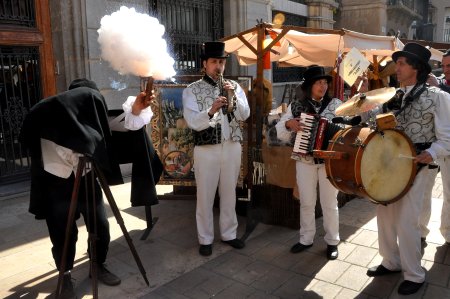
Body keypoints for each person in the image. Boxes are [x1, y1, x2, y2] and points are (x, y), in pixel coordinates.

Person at [20, 78, 155, 298]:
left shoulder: (93, 116)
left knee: (100, 225)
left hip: (87, 178)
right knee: (63, 233)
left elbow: (120, 124)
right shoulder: (50, 117)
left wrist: (136, 110)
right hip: (57, 183)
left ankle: (97, 264)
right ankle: (65, 275)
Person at [361, 43, 450, 295]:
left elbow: (447, 137)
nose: (396, 68)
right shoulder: (391, 96)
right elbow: (369, 116)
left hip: (417, 166)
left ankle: (415, 274)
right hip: (388, 164)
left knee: (407, 221)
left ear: (416, 68)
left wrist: (430, 154)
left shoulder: (439, 97)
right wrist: (354, 110)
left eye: (401, 64)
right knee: (385, 216)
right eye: (396, 63)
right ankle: (391, 261)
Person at [182, 41, 250, 256]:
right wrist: (211, 110)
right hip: (206, 149)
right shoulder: (192, 90)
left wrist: (235, 97)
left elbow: (245, 115)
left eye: (221, 62)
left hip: (232, 146)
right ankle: (205, 238)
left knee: (229, 192)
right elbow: (193, 121)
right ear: (205, 64)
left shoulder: (234, 86)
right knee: (205, 194)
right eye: (214, 62)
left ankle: (229, 234)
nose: (218, 66)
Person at [276, 65, 341, 260]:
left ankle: (332, 241)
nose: (323, 86)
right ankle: (306, 238)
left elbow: (345, 127)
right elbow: (280, 130)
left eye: (325, 82)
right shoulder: (297, 105)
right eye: (319, 83)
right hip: (305, 160)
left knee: (330, 203)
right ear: (310, 86)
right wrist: (290, 124)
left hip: (329, 160)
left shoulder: (336, 104)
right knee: (306, 201)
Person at [419, 49, 450, 245]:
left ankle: (447, 233)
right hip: (435, 147)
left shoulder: (443, 88)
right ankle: (423, 232)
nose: (446, 70)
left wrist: (440, 89)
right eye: (444, 66)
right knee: (425, 192)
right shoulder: (441, 84)